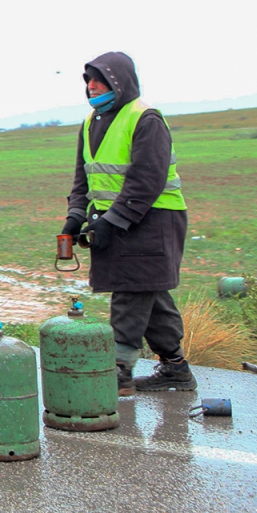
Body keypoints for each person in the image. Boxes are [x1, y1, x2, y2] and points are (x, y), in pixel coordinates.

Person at [62, 52, 195, 395]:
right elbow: (84, 179)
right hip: (116, 221)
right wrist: (75, 217)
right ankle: (176, 368)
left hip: (152, 220)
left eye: (100, 80)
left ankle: (118, 372)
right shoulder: (92, 121)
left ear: (119, 83)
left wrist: (113, 221)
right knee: (150, 293)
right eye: (88, 81)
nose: (91, 87)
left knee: (131, 293)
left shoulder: (145, 118)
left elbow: (146, 180)